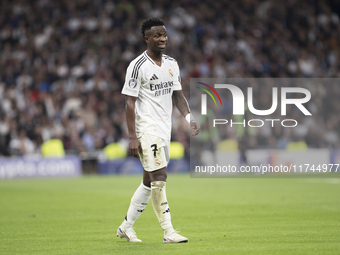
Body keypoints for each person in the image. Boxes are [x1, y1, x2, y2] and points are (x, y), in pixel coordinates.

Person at [117, 18, 200, 243]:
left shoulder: (172, 63)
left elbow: (178, 96)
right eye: (157, 35)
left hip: (165, 129)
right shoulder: (137, 66)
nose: (162, 38)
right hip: (147, 129)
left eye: (164, 35)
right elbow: (130, 103)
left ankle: (126, 227)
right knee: (160, 178)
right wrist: (132, 136)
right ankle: (168, 232)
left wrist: (189, 118)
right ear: (147, 39)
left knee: (148, 181)